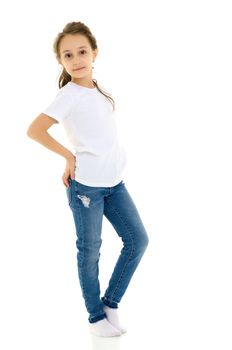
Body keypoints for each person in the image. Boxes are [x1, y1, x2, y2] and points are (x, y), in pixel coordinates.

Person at [27, 21, 149, 337]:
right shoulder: (69, 95)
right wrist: (69, 157)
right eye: (68, 55)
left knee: (137, 240)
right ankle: (95, 318)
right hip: (87, 188)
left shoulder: (97, 90)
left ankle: (111, 303)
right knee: (90, 250)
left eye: (82, 51)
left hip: (115, 184)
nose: (77, 59)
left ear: (94, 53)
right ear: (61, 62)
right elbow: (35, 130)